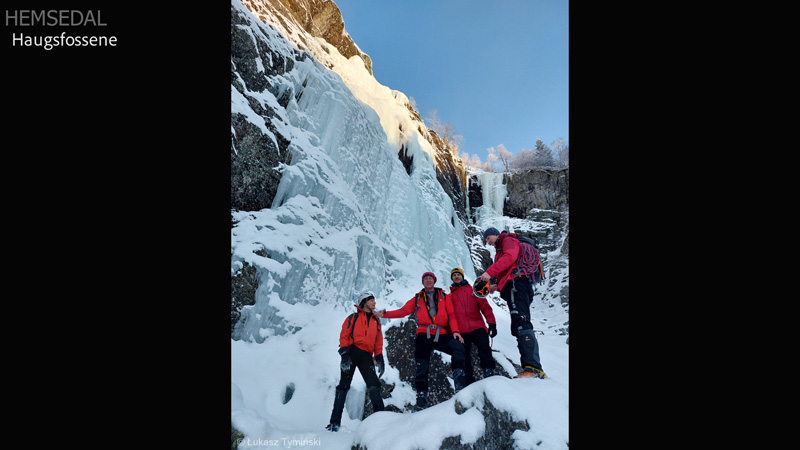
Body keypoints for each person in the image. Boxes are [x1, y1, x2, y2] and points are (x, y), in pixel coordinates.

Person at [375, 272, 466, 411]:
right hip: (424, 333)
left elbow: (452, 315)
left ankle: (459, 379)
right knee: (421, 365)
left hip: (441, 332)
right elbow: (403, 311)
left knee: (457, 346)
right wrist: (385, 314)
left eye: (430, 278)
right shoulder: (418, 298)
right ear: (423, 282)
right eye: (425, 279)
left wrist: (455, 332)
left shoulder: (443, 296)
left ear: (434, 281)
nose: (428, 280)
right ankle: (421, 397)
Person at [479, 228, 547, 379]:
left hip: (518, 285)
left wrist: (489, 272)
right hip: (516, 285)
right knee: (519, 324)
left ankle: (533, 368)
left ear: (495, 234)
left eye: (488, 237)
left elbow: (510, 257)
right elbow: (508, 272)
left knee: (521, 322)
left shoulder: (507, 240)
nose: (488, 241)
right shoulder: (501, 247)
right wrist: (495, 287)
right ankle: (530, 367)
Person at [326, 292, 385, 432]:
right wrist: (344, 354)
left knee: (374, 385)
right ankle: (334, 422)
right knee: (343, 386)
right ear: (364, 302)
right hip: (352, 352)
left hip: (366, 356)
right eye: (371, 301)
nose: (374, 303)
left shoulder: (376, 322)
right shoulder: (353, 318)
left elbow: (378, 342)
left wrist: (379, 357)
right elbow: (344, 335)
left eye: (374, 300)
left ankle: (382, 421)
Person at [447, 267, 498, 385]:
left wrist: (491, 323)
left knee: (484, 349)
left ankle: (488, 371)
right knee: (464, 357)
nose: (456, 276)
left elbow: (485, 307)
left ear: (462, 276)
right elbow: (450, 315)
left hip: (478, 327)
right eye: (454, 275)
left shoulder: (473, 290)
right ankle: (468, 381)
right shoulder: (450, 297)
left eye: (458, 274)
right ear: (452, 278)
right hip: (462, 331)